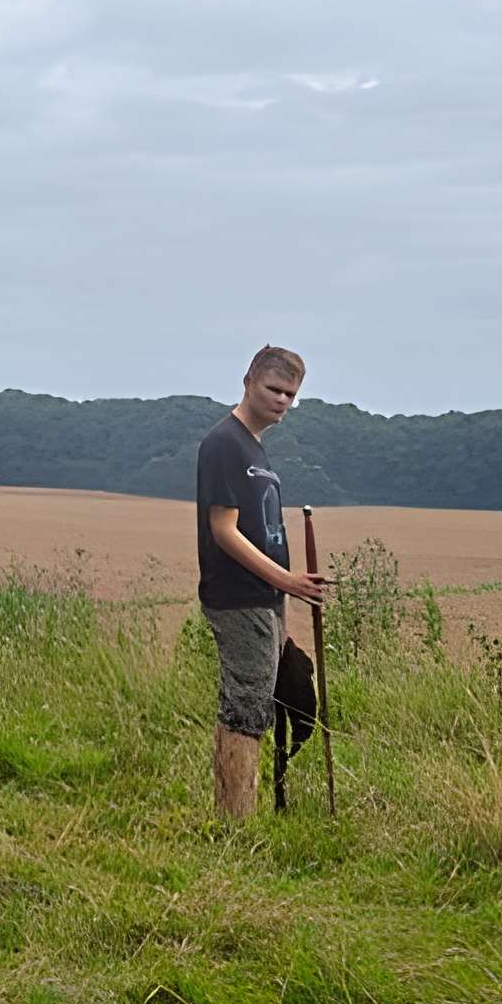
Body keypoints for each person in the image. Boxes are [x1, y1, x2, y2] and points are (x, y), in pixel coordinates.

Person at [198, 344, 329, 818]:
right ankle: (235, 824)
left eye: (291, 394)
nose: (282, 401)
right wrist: (289, 582)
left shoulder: (257, 450)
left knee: (256, 706)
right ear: (249, 380)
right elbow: (224, 530)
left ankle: (238, 815)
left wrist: (284, 612)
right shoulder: (224, 444)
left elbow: (271, 534)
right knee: (246, 712)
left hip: (266, 601)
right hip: (237, 598)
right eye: (274, 389)